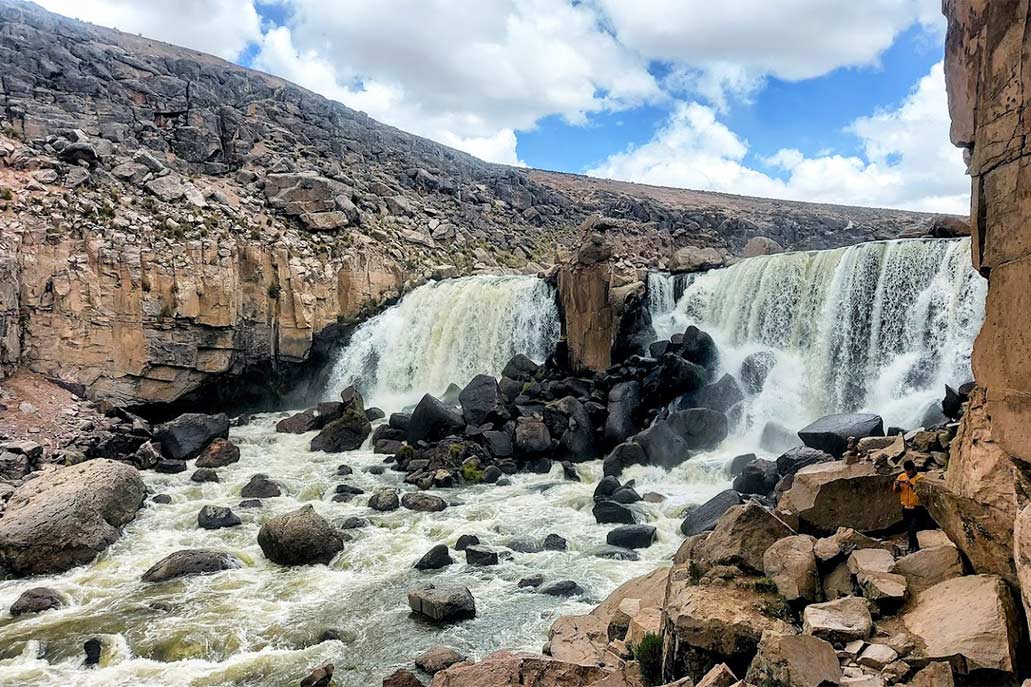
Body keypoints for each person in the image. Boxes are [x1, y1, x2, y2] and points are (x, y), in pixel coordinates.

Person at [892, 459, 924, 553]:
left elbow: (923, 492)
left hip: (917, 507)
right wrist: (897, 485)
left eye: (909, 472)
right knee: (908, 527)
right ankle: (911, 546)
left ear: (913, 469)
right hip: (905, 506)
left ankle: (915, 546)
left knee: (913, 527)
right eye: (906, 472)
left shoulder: (920, 478)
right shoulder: (901, 476)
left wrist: (912, 485)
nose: (908, 474)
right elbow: (895, 491)